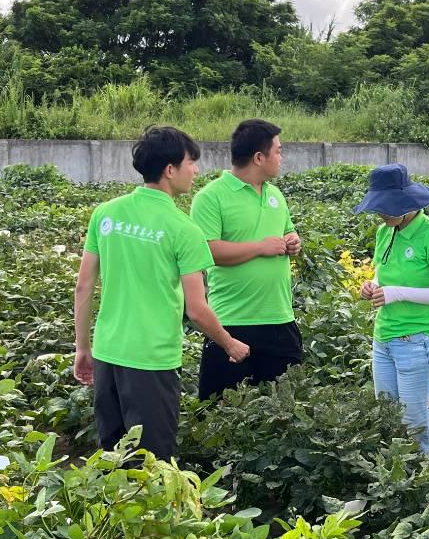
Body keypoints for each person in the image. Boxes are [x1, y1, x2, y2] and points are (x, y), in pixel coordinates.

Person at [73, 126, 250, 460]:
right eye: (191, 163)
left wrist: (83, 348)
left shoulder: (106, 213)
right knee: (152, 468)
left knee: (113, 461)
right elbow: (196, 309)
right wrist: (230, 343)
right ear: (170, 170)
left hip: (108, 353)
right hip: (151, 362)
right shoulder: (184, 230)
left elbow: (84, 286)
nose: (196, 170)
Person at [190, 119, 302, 400]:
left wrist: (293, 241)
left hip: (279, 319)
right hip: (233, 323)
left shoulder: (275, 194)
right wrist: (260, 248)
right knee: (222, 413)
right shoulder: (211, 197)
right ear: (259, 157)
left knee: (284, 415)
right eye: (278, 151)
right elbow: (207, 251)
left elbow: (287, 230)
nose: (282, 157)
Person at [354, 163, 429, 454]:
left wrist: (397, 294)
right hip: (384, 340)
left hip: (419, 343)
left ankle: (423, 492)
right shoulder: (384, 233)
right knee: (388, 423)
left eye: (387, 208)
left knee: (417, 428)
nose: (382, 214)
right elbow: (383, 275)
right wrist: (371, 286)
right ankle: (396, 494)